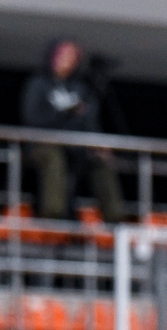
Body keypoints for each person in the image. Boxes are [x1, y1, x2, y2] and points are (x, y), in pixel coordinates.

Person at [21, 38, 125, 223]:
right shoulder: (38, 84)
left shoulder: (81, 89)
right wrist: (66, 113)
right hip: (41, 145)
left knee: (99, 161)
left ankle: (115, 217)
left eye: (72, 57)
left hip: (74, 146)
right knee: (54, 157)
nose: (67, 61)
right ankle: (53, 214)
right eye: (63, 55)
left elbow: (89, 122)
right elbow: (32, 118)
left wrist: (98, 144)